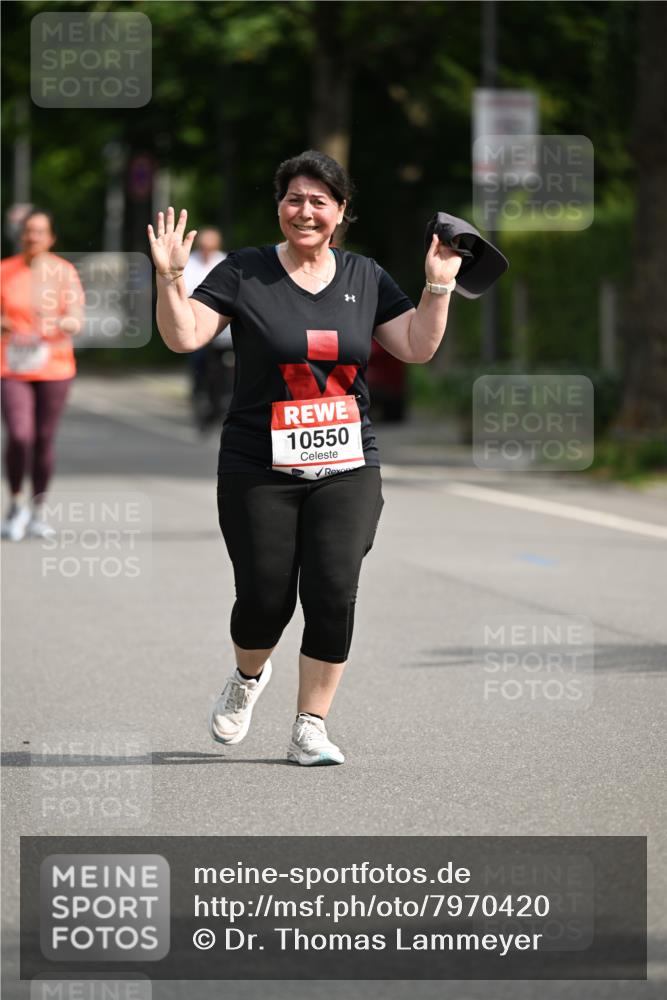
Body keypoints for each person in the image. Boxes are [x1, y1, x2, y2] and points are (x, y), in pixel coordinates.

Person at [147, 150, 461, 765]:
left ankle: (310, 726)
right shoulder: (245, 272)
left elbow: (416, 347)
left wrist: (439, 284)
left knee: (334, 587)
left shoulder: (366, 277)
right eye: (295, 198)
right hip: (256, 462)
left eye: (320, 201)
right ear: (280, 206)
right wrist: (169, 279)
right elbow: (185, 335)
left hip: (347, 460)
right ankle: (245, 678)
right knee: (265, 598)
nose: (306, 211)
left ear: (341, 212)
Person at [1, 209, 84, 541]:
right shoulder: (5, 271)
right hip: (13, 367)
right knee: (21, 435)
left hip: (55, 365)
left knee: (44, 439)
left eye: (39, 231)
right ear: (20, 235)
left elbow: (77, 317)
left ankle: (37, 510)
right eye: (28, 231)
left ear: (51, 238)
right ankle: (17, 503)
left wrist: (59, 323)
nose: (32, 237)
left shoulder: (64, 273)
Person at [183, 227, 233, 432]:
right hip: (198, 323)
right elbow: (186, 292)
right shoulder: (190, 263)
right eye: (204, 247)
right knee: (200, 365)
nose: (206, 251)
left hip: (222, 329)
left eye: (210, 247)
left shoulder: (224, 262)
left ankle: (220, 406)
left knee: (225, 371)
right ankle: (199, 399)